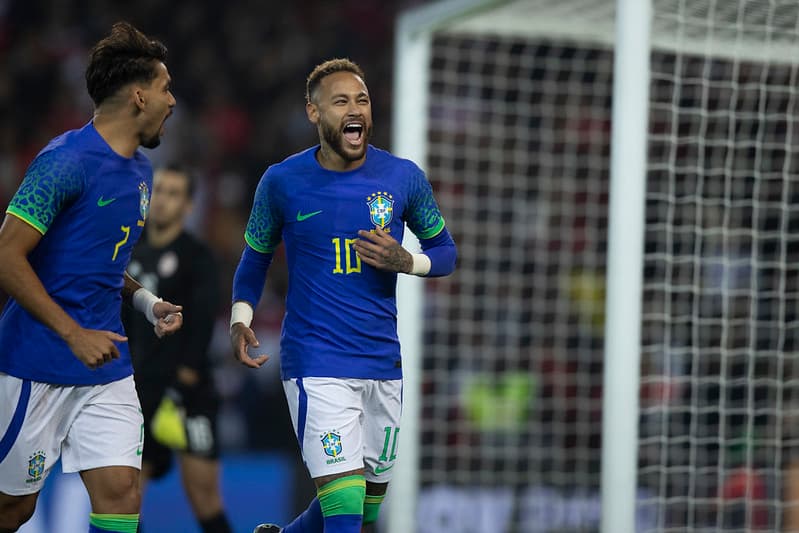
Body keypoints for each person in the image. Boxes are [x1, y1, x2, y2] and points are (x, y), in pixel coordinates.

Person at [229, 58, 457, 533]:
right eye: (341, 101)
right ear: (314, 114)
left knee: (366, 506)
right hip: (316, 363)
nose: (356, 110)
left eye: (363, 100)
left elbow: (446, 252)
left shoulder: (402, 178)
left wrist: (406, 261)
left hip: (381, 361)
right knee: (346, 511)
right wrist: (240, 318)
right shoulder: (282, 182)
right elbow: (254, 259)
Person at [0, 22, 183, 533]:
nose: (173, 101)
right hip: (35, 363)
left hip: (106, 365)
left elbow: (102, 263)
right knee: (14, 509)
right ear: (139, 97)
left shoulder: (142, 172)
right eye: (167, 89)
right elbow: (6, 256)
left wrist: (146, 303)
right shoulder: (63, 163)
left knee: (123, 494)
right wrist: (71, 333)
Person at [122, 165, 231, 533]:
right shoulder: (128, 253)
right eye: (159, 190)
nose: (163, 199)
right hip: (138, 391)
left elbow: (201, 325)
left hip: (188, 392)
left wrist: (183, 383)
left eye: (173, 193)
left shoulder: (196, 255)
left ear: (187, 205)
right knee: (127, 496)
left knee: (204, 497)